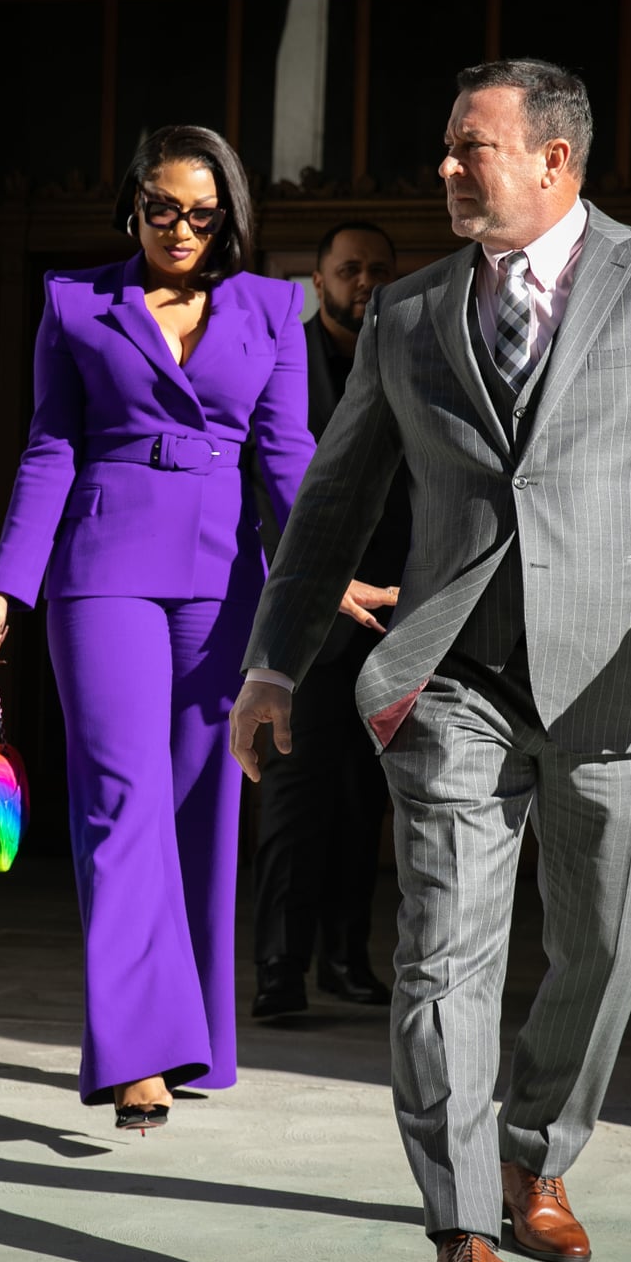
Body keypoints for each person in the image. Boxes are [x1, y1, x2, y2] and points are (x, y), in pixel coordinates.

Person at [231, 60, 631, 1262]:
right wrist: (275, 663)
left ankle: (535, 1155)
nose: (444, 170)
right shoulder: (403, 314)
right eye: (444, 149)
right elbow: (331, 505)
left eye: (469, 148)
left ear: (555, 161)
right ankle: (459, 1232)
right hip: (453, 675)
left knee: (606, 946)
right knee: (441, 957)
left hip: (618, 677)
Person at [0, 126, 316, 1133]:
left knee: (202, 808)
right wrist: (5, 587)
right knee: (121, 802)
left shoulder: (274, 308)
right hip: (101, 570)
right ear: (132, 205)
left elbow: (288, 459)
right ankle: (136, 1055)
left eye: (202, 214)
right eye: (161, 208)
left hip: (221, 582)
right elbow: (48, 450)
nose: (179, 228)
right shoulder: (76, 303)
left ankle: (192, 1034)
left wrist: (323, 571)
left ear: (229, 218)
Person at [249, 220, 406, 1019]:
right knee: (294, 797)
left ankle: (347, 958)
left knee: (364, 799)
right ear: (319, 281)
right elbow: (265, 489)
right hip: (305, 620)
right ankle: (280, 964)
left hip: (390, 616)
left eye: (379, 269)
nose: (365, 282)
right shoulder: (285, 360)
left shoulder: (411, 358)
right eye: (350, 270)